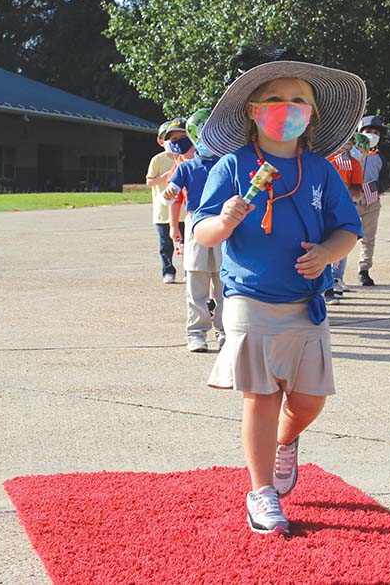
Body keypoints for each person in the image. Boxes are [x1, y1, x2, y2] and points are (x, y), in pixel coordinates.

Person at [193, 55, 365, 536]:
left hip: (305, 301)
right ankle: (261, 491)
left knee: (309, 401)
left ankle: (286, 441)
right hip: (249, 297)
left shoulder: (321, 170)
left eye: (298, 101)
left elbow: (347, 229)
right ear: (252, 110)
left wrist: (328, 253)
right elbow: (202, 231)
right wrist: (224, 220)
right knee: (261, 397)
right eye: (275, 100)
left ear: (311, 114)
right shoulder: (233, 165)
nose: (286, 109)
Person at [163, 108, 225, 353]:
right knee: (197, 281)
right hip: (196, 224)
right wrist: (170, 193)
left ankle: (225, 331)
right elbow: (172, 192)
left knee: (224, 281)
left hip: (224, 225)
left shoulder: (226, 163)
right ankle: (196, 333)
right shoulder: (186, 166)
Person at [145, 118, 188, 283]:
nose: (174, 142)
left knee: (187, 245)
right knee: (166, 246)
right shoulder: (158, 160)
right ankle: (168, 271)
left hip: (184, 212)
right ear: (161, 141)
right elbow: (149, 182)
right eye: (170, 138)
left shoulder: (186, 156)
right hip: (163, 213)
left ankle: (187, 270)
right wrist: (165, 176)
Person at [325, 134, 364, 305]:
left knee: (340, 246)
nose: (347, 143)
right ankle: (326, 286)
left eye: (350, 140)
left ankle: (335, 281)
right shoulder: (325, 161)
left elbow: (356, 191)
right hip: (322, 208)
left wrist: (341, 200)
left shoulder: (353, 164)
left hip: (343, 208)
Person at [355, 114, 390, 286]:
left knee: (368, 238)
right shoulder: (351, 154)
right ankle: (335, 273)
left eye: (375, 132)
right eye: (368, 131)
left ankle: (364, 270)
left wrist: (376, 187)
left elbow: (387, 180)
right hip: (351, 201)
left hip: (372, 202)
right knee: (343, 236)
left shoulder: (380, 158)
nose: (372, 134)